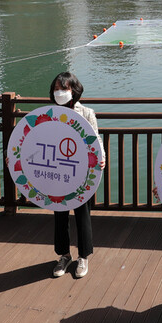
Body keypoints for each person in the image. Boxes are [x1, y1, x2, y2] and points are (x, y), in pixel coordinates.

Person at [48, 71, 102, 278]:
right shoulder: (48, 114)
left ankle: (83, 257)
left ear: (74, 90)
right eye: (56, 89)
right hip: (56, 171)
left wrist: (101, 158)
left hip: (81, 172)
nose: (60, 92)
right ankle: (64, 255)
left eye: (64, 88)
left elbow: (96, 140)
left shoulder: (86, 112)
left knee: (82, 215)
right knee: (59, 214)